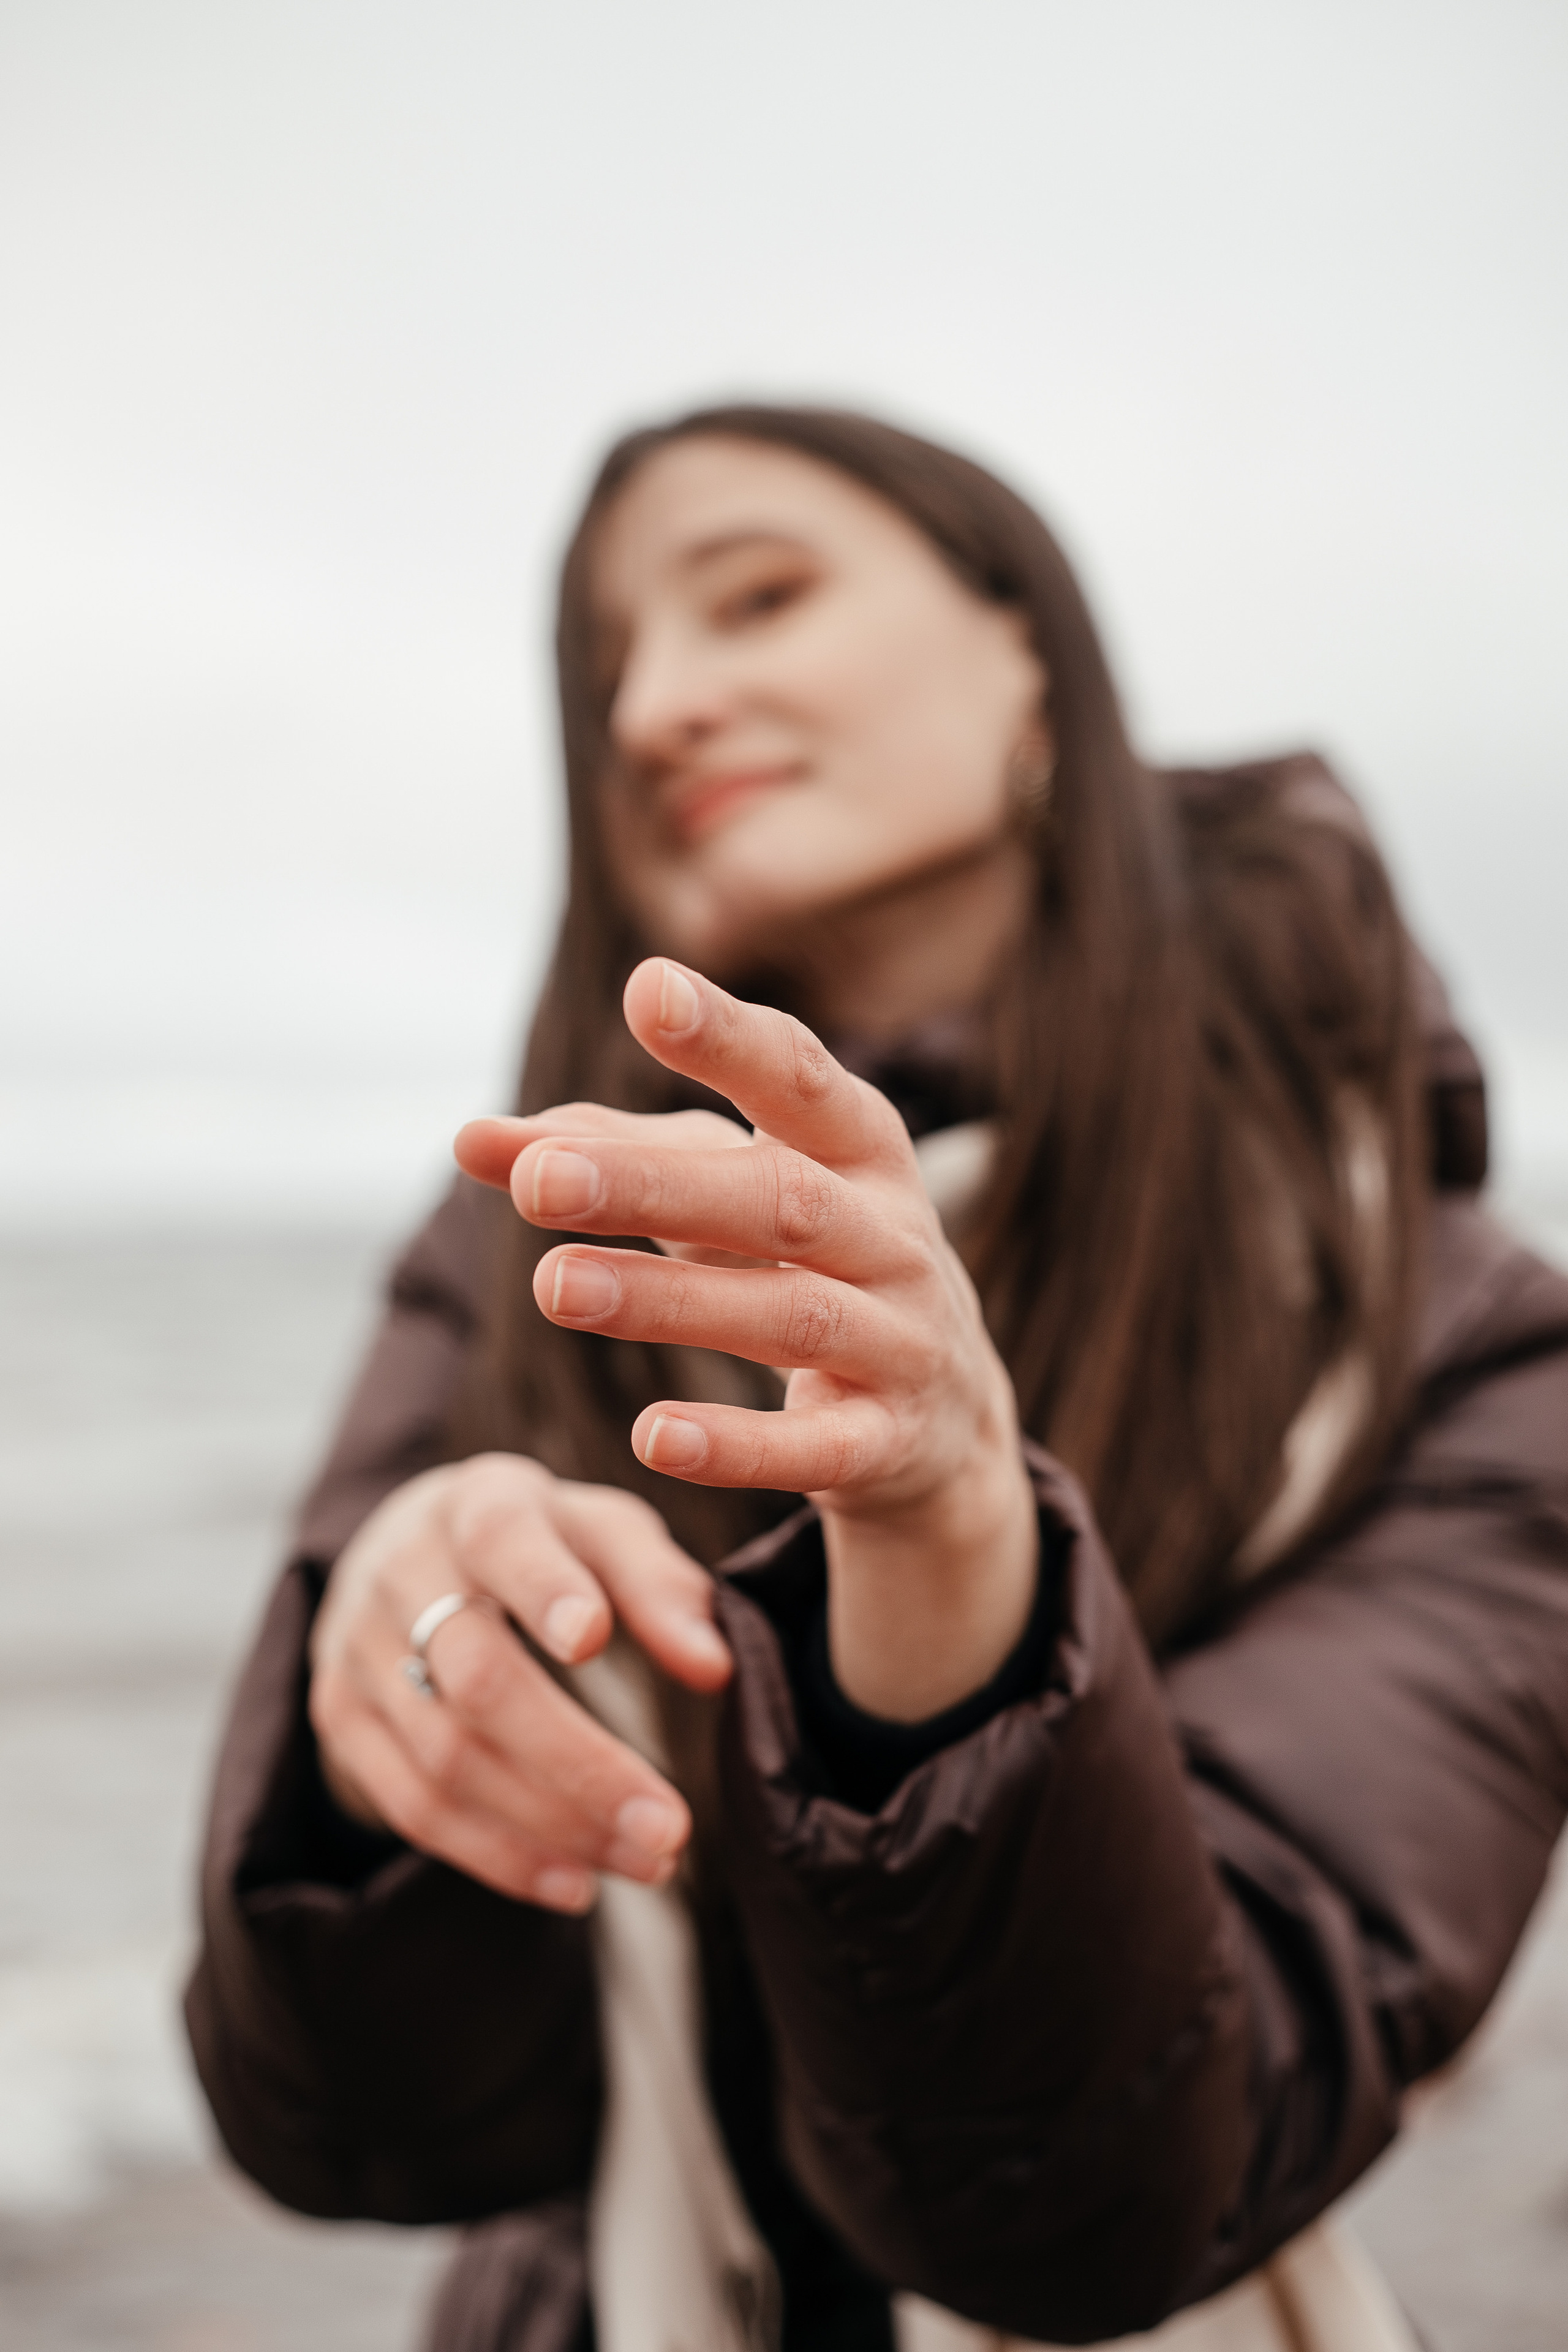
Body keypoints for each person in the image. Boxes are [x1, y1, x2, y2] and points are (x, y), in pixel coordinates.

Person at [185, 406, 1568, 2352]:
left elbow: (1120, 2179)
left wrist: (951, 1552)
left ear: (1027, 647)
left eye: (757, 594)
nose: (658, 707)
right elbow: (349, 2133)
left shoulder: (1464, 1340)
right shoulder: (527, 1233)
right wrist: (385, 1719)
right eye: (602, 679)